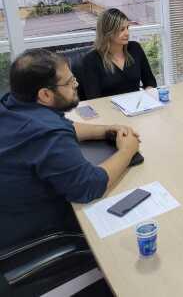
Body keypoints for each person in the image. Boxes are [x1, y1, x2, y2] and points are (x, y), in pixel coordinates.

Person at [0, 49, 140, 249]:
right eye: (69, 82)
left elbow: (64, 126)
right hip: (31, 237)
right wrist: (127, 150)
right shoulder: (47, 135)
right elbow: (90, 186)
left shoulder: (12, 105)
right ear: (46, 94)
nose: (76, 85)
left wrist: (105, 130)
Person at [82, 8, 157, 99]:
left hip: (137, 107)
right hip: (109, 110)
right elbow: (93, 99)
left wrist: (148, 94)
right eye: (121, 29)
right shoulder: (91, 60)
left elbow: (150, 81)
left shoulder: (135, 48)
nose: (127, 33)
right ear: (108, 32)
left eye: (127, 28)